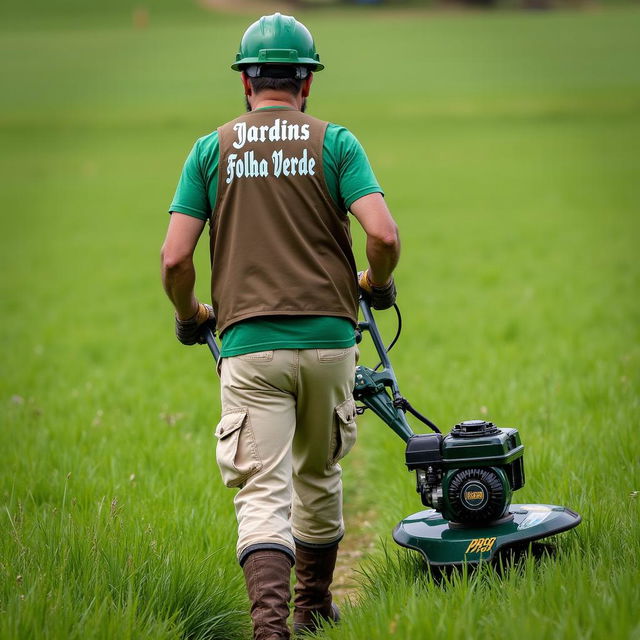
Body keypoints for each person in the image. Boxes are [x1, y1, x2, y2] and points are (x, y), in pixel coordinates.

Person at [161, 13, 400, 640]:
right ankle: (314, 606)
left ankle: (271, 630)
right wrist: (375, 285)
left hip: (248, 345)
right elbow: (383, 234)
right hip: (329, 342)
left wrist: (191, 317)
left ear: (246, 82)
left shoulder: (210, 150)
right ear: (306, 84)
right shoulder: (336, 142)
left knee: (263, 491)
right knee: (319, 473)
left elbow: (175, 259)